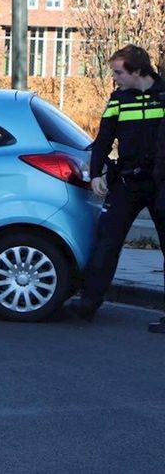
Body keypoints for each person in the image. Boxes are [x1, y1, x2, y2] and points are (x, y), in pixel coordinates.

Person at [67, 45, 165, 324]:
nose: (115, 77)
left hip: (160, 182)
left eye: (119, 72)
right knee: (107, 240)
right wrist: (97, 173)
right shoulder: (119, 100)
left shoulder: (162, 96)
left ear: (137, 71)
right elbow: (103, 140)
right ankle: (87, 303)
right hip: (128, 180)